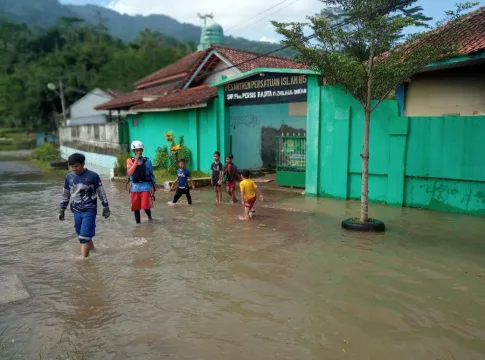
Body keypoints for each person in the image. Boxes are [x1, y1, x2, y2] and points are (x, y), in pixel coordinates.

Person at [58, 153, 111, 258]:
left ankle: (84, 260)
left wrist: (105, 206)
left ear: (83, 164)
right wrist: (62, 209)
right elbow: (66, 193)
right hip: (76, 210)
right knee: (81, 234)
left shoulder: (93, 176)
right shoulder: (69, 177)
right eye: (72, 166)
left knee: (83, 237)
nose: (74, 168)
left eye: (76, 166)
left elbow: (101, 191)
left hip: (89, 209)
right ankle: (94, 250)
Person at [126, 140, 156, 224]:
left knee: (146, 206)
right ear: (134, 151)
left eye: (140, 150)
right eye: (137, 150)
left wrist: (153, 189)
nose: (139, 152)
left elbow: (151, 175)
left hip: (145, 186)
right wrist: (135, 161)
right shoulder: (129, 161)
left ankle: (150, 218)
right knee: (136, 208)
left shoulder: (147, 161)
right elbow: (129, 172)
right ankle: (138, 225)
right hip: (134, 187)